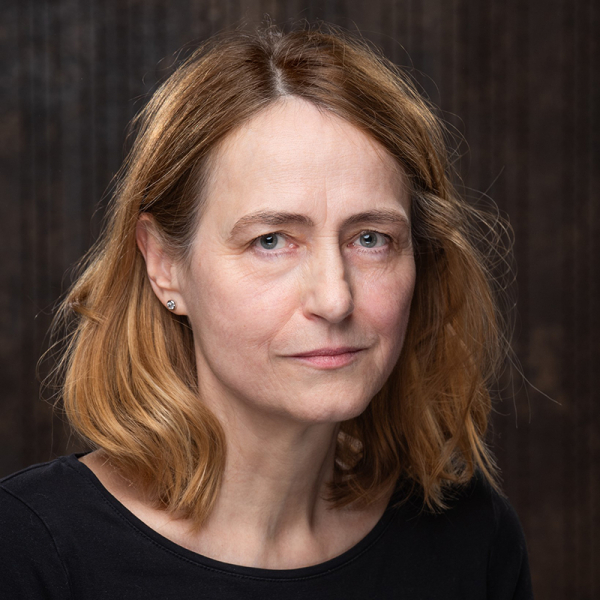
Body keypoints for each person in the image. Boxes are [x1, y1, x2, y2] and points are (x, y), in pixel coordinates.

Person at [0, 22, 532, 599]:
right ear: (164, 264)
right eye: (272, 241)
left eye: (371, 239)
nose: (335, 299)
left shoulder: (472, 537)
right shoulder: (28, 551)